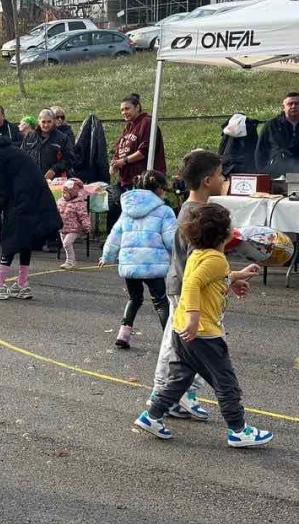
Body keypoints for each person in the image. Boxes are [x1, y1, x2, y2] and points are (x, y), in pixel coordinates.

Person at [135, 202, 273, 448]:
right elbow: (193, 284)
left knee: (179, 379)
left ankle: (152, 416)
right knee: (226, 382)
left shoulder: (200, 254)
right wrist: (195, 317)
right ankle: (238, 430)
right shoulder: (216, 259)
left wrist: (236, 276)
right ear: (225, 233)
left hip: (182, 332)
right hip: (205, 335)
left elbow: (208, 277)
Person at [150, 150, 259, 420]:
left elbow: (207, 267)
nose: (225, 178)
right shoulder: (197, 215)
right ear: (209, 180)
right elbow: (196, 268)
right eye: (222, 174)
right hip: (185, 289)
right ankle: (163, 396)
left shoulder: (197, 211)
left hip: (190, 287)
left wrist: (229, 280)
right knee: (181, 346)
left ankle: (178, 396)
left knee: (188, 347)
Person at [0, 127, 62, 301]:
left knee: (10, 240)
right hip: (36, 197)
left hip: (22, 201)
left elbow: (1, 193)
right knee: (24, 241)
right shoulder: (5, 150)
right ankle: (22, 283)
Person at [99, 170, 176, 349]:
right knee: (160, 301)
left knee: (135, 298)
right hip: (153, 265)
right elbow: (171, 239)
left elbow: (115, 235)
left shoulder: (127, 210)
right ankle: (169, 341)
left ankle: (123, 335)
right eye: (164, 189)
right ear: (158, 189)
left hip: (130, 264)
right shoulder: (164, 211)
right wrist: (179, 256)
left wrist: (107, 256)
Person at [110, 93, 165, 229]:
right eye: (122, 110)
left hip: (142, 180)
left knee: (137, 216)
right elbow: (118, 149)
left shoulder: (146, 122)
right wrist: (114, 163)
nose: (124, 112)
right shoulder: (128, 127)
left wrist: (124, 161)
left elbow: (144, 151)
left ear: (137, 107)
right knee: (115, 206)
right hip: (125, 179)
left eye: (127, 109)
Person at [254, 91, 299, 177]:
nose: (294, 106)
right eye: (290, 104)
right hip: (277, 174)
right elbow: (260, 151)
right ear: (283, 107)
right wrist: (262, 172)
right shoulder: (271, 125)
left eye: (297, 103)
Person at [24, 109, 75, 181]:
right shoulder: (30, 136)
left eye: (49, 122)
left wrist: (54, 169)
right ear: (39, 121)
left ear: (54, 121)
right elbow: (22, 156)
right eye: (43, 122)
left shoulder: (62, 138)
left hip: (55, 180)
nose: (46, 125)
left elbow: (70, 159)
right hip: (33, 179)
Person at [57, 178, 91, 269]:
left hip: (74, 228)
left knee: (66, 244)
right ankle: (71, 260)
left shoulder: (78, 204)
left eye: (66, 193)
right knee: (66, 245)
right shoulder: (60, 202)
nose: (63, 195)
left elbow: (84, 216)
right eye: (63, 192)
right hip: (63, 228)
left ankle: (70, 261)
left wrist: (87, 226)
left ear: (72, 193)